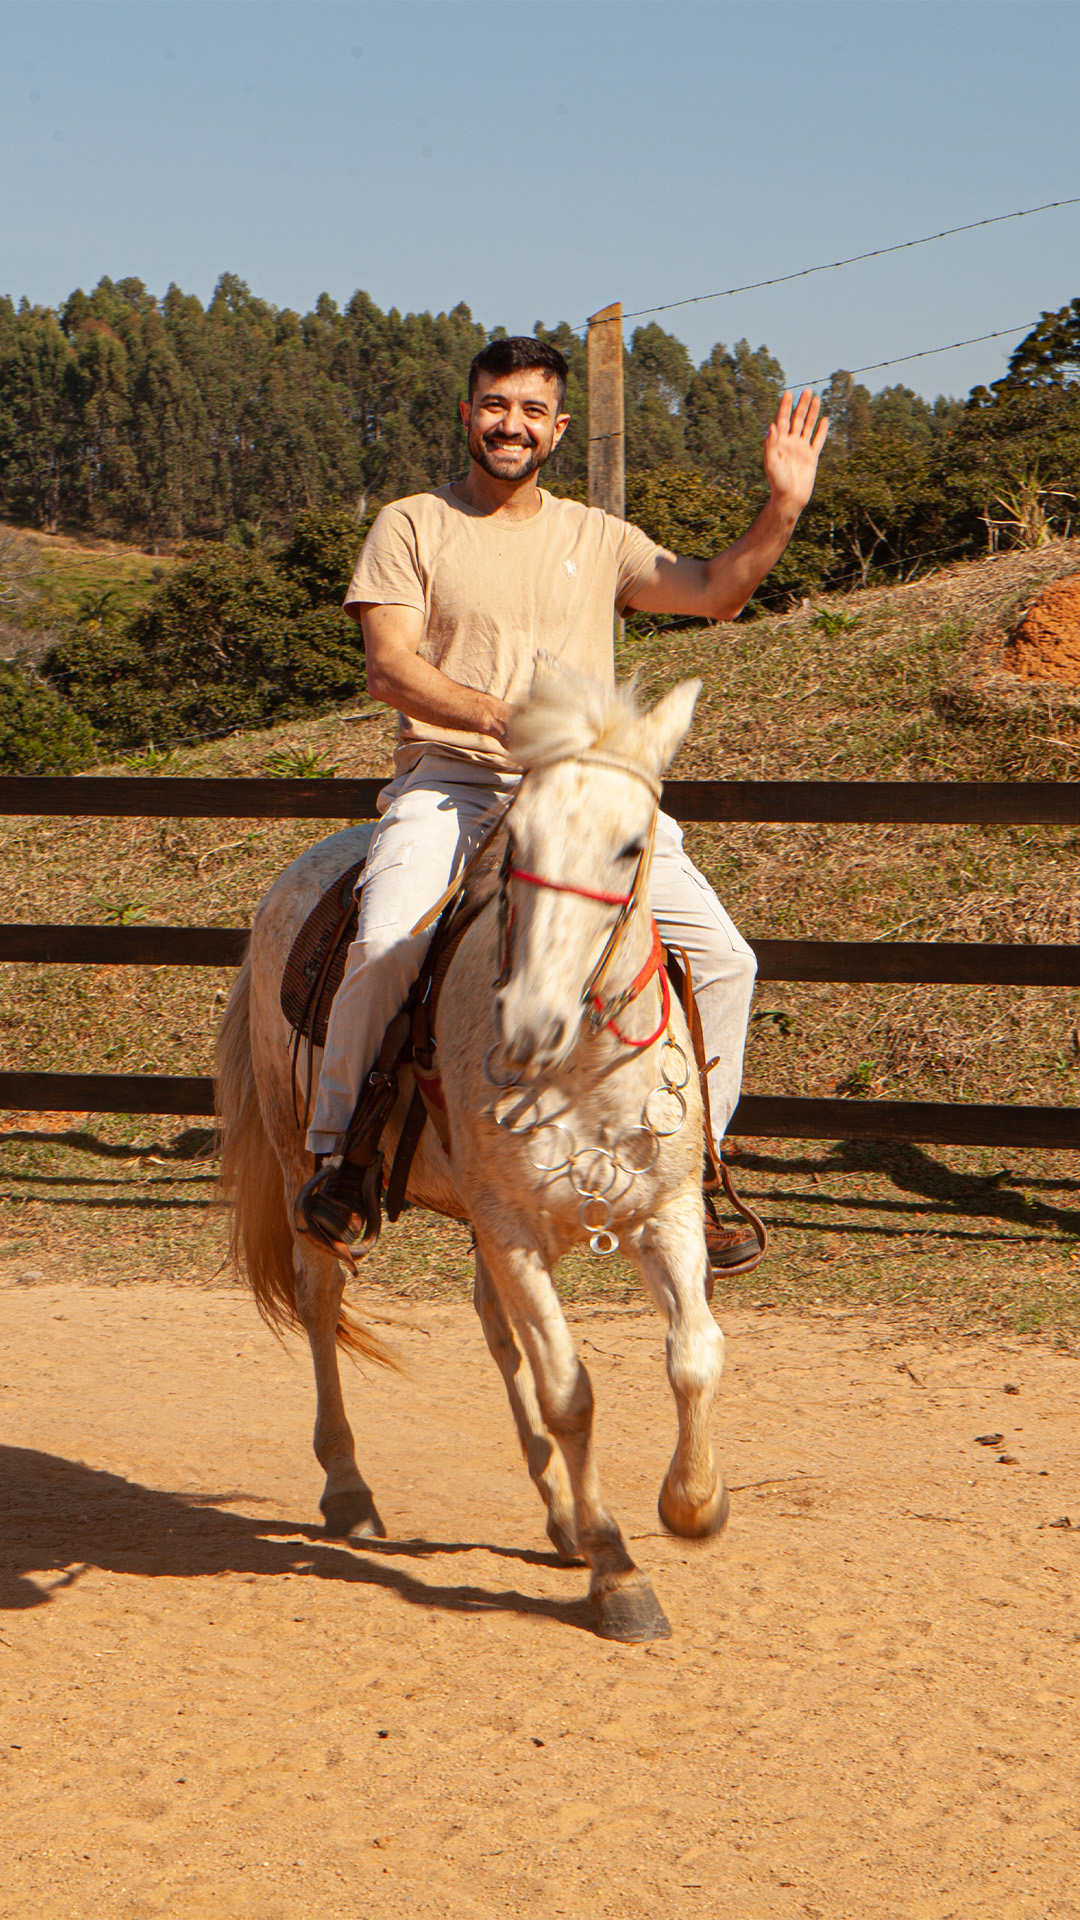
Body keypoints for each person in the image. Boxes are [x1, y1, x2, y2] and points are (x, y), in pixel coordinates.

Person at [300, 336, 827, 1272]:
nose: (513, 425)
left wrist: (782, 507)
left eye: (533, 411)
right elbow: (390, 667)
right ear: (468, 416)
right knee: (385, 945)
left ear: (559, 429)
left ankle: (694, 1167)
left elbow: (715, 592)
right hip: (458, 783)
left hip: (587, 797)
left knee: (725, 963)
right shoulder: (412, 523)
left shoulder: (599, 535)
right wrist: (503, 719)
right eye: (496, 406)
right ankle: (340, 1152)